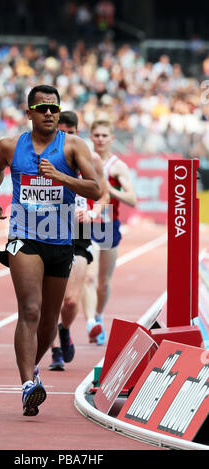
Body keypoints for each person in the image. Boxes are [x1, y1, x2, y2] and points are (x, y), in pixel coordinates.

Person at [0, 85, 101, 416]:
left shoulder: (74, 146)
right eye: (42, 107)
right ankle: (27, 386)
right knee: (31, 310)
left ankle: (32, 369)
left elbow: (95, 188)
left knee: (50, 322)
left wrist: (63, 177)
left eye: (54, 108)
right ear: (29, 113)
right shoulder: (10, 146)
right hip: (24, 236)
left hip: (61, 239)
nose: (49, 113)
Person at [49, 110, 108, 371]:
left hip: (80, 230)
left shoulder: (90, 157)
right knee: (48, 298)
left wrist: (94, 211)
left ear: (77, 132)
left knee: (71, 300)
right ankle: (55, 351)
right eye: (61, 134)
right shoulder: (44, 156)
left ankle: (64, 329)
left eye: (70, 134)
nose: (66, 139)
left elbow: (104, 193)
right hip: (48, 227)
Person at [81, 119, 137, 345]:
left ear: (112, 138)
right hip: (86, 224)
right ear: (91, 137)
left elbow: (132, 199)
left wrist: (109, 189)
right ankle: (91, 323)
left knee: (103, 282)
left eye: (105, 135)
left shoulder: (117, 166)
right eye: (96, 135)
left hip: (108, 226)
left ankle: (99, 316)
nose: (100, 140)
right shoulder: (83, 161)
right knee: (89, 277)